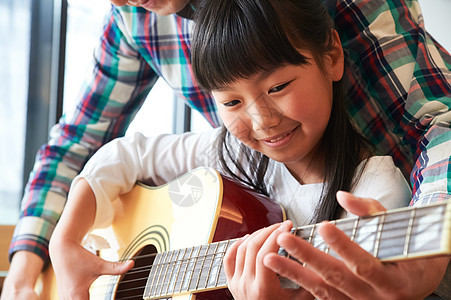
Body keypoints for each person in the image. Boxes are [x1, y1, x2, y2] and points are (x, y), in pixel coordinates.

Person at [2, 0, 450, 299]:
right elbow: (86, 141)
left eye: (277, 86)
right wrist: (30, 271)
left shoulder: (375, 184)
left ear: (332, 56)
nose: (261, 119)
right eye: (230, 100)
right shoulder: (232, 150)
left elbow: (441, 121)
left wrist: (431, 249)